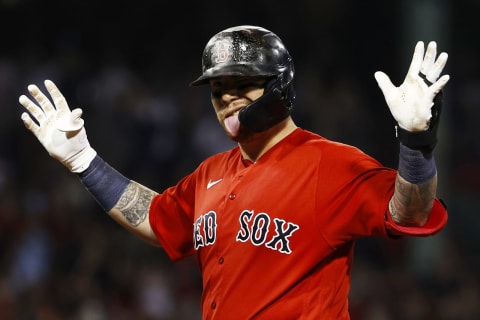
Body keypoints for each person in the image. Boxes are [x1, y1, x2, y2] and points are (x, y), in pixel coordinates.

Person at [18, 25, 450, 319]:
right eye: (219, 90)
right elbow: (156, 218)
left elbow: (409, 212)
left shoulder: (330, 163)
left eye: (243, 85)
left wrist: (416, 142)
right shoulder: (211, 173)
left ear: (280, 86)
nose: (227, 99)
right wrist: (84, 161)